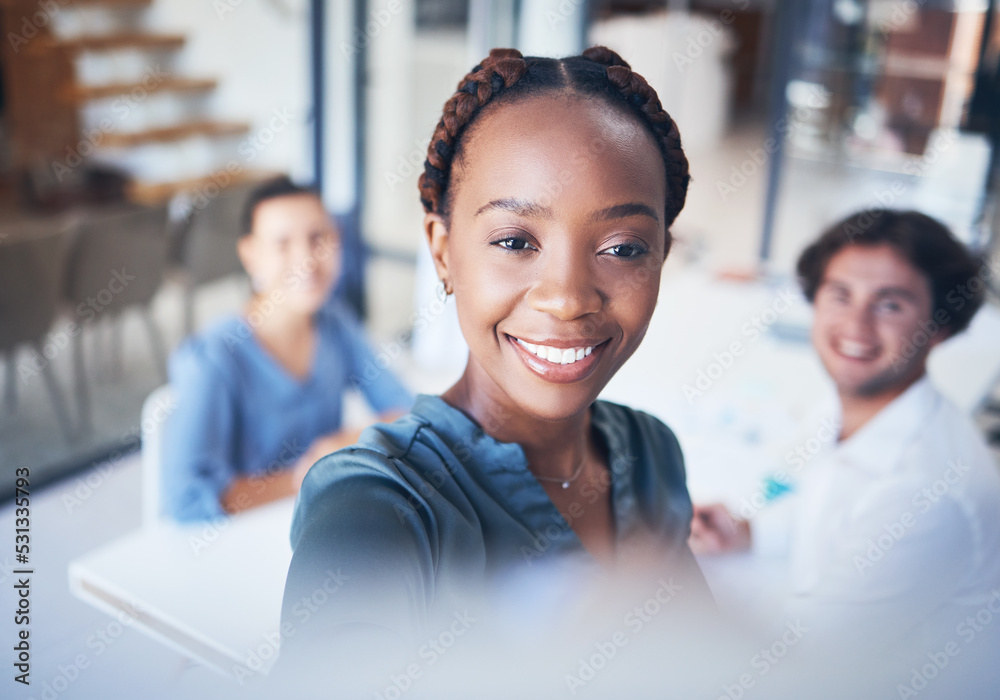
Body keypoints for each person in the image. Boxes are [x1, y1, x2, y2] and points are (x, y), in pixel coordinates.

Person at [279, 47, 711, 661]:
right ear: (443, 251)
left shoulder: (651, 455)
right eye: (514, 240)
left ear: (662, 256)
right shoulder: (378, 506)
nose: (566, 298)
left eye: (622, 248)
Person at [690, 210, 1000, 668]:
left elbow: (805, 660)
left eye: (890, 304)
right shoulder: (844, 409)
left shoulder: (925, 492)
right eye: (840, 295)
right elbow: (827, 501)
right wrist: (748, 531)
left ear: (941, 326)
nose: (856, 325)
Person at [162, 177, 413, 522]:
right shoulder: (213, 357)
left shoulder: (335, 324)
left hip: (321, 522)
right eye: (282, 244)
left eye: (318, 239)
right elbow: (187, 499)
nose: (306, 260)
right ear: (250, 256)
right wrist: (315, 472)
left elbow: (406, 410)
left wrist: (349, 441)